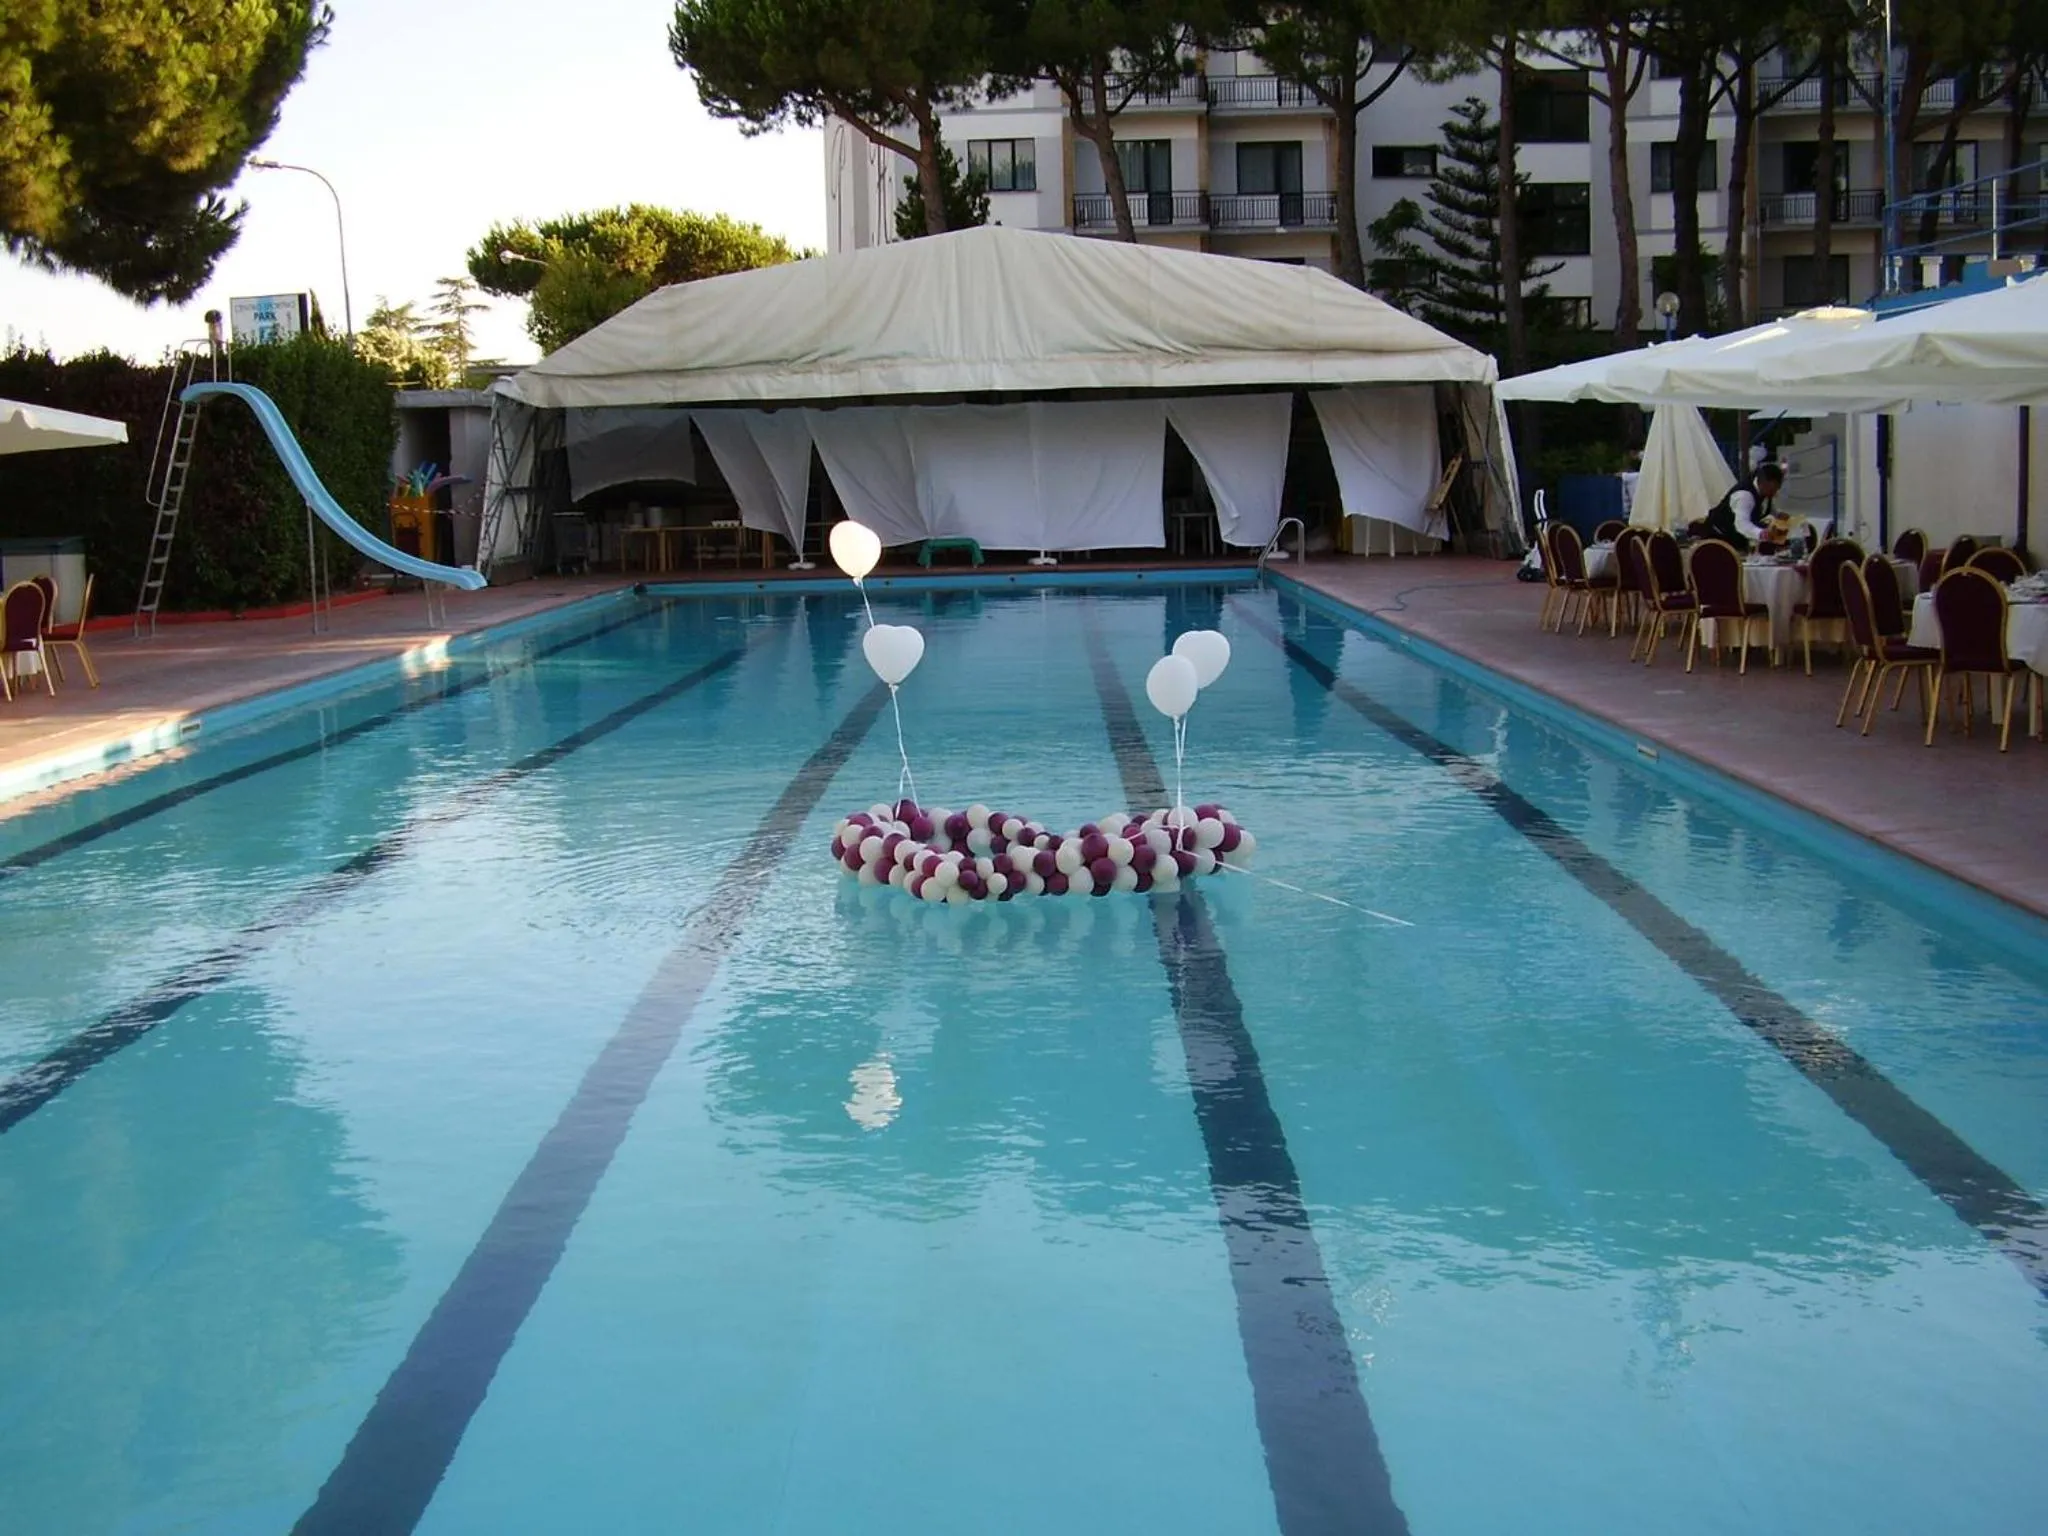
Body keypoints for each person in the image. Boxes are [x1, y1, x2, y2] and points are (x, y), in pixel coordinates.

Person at [1690, 462, 1787, 553]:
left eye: (1777, 489)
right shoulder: (1744, 496)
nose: (1775, 493)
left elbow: (1763, 505)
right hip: (1720, 538)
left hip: (1737, 538)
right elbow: (1742, 525)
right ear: (1763, 483)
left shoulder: (1764, 490)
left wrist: (1777, 514)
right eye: (1773, 489)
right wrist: (1762, 533)